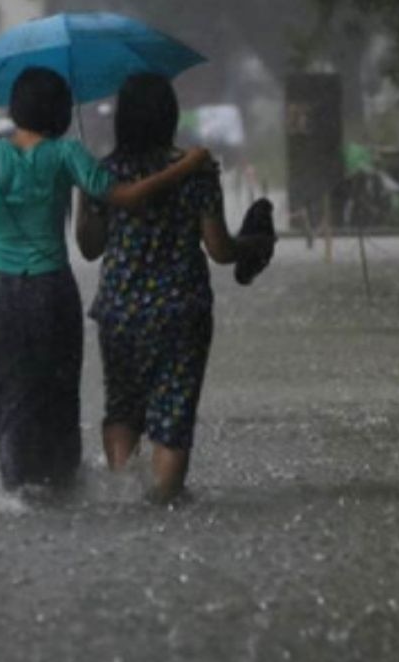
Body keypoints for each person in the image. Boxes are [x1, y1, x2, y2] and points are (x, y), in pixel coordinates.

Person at [0, 66, 213, 493]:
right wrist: (187, 166)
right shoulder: (67, 154)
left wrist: (1, 253)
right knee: (56, 392)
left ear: (16, 108)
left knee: (4, 388)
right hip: (51, 288)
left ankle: (17, 485)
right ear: (58, 111)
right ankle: (60, 484)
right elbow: (126, 197)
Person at [75, 73, 274, 504]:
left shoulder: (105, 173)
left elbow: (90, 249)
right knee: (173, 415)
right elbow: (219, 249)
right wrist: (255, 244)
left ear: (122, 120)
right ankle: (162, 505)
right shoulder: (196, 171)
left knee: (123, 407)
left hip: (119, 311)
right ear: (169, 116)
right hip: (181, 311)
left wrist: (85, 197)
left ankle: (123, 498)